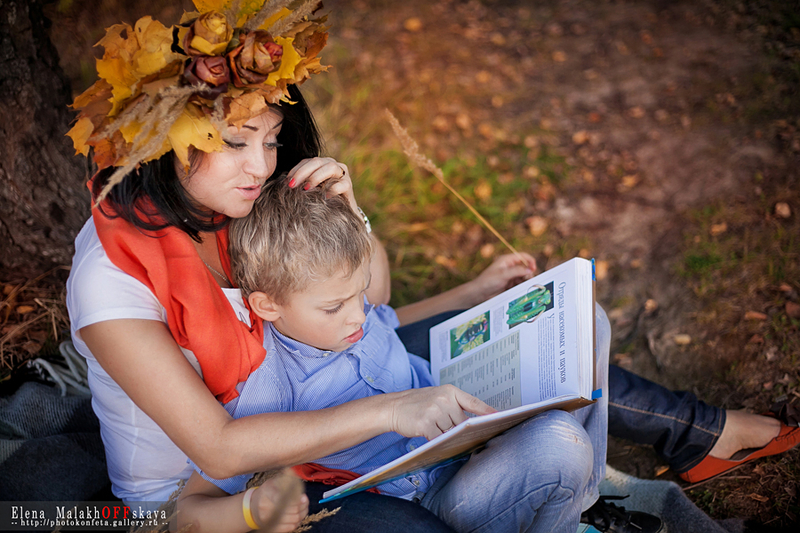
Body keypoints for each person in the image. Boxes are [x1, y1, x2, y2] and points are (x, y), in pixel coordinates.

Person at [176, 178, 612, 533]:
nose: (358, 316)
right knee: (560, 443)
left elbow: (390, 319)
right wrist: (252, 508)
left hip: (474, 437)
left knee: (587, 318)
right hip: (431, 498)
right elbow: (186, 512)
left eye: (360, 292)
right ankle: (564, 510)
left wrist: (475, 291)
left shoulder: (348, 315)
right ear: (268, 306)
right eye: (334, 307)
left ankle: (581, 501)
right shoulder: (268, 387)